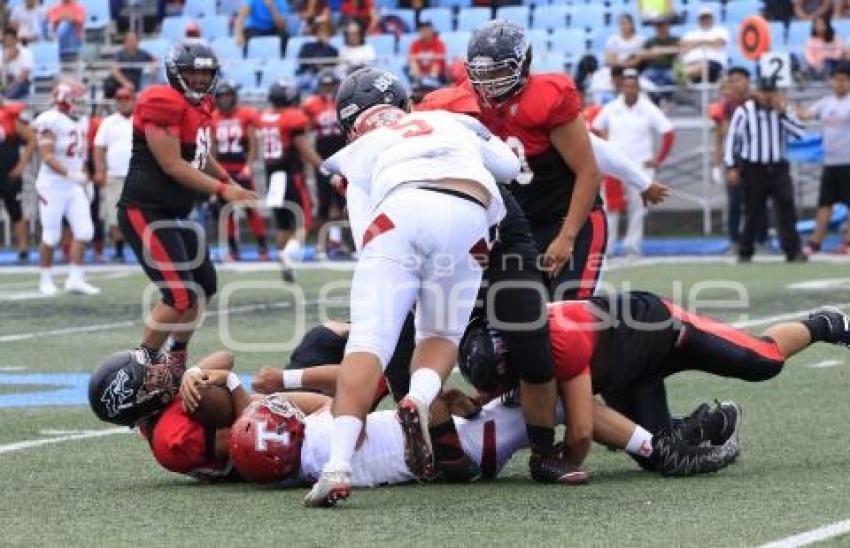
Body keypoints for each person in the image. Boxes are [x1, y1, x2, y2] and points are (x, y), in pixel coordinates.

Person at [418, 20, 668, 486]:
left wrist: (569, 236)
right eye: (481, 73)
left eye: (500, 71)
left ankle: (625, 427)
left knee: (564, 326)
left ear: (524, 65)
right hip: (518, 227)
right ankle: (564, 425)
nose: (489, 82)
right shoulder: (460, 103)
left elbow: (590, 167)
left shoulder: (548, 97)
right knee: (522, 334)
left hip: (568, 219)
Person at [304, 67, 514, 508]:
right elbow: (511, 168)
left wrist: (399, 271)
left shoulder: (358, 152)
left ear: (352, 127)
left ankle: (337, 466)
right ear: (404, 104)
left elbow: (366, 236)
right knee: (439, 335)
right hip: (470, 217)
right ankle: (418, 398)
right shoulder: (452, 120)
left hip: (400, 210)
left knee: (369, 342)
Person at [459, 291, 850, 467]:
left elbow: (581, 429)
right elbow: (495, 383)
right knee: (655, 450)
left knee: (762, 361)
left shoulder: (560, 341)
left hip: (662, 332)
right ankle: (714, 422)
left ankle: (826, 324)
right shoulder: (511, 339)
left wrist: (563, 461)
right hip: (622, 370)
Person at [117, 40, 257, 368]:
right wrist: (223, 190)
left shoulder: (201, 105)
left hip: (176, 212)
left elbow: (198, 154)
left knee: (204, 285)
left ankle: (176, 356)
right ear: (175, 73)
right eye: (192, 74)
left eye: (205, 74)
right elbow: (172, 164)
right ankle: (140, 368)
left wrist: (230, 180)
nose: (199, 80)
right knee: (179, 296)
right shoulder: (160, 100)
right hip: (146, 209)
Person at [592, 69, 675, 257]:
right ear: (621, 87)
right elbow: (595, 130)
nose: (630, 90)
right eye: (626, 86)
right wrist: (600, 156)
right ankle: (608, 246)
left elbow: (668, 133)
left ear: (639, 88)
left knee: (637, 208)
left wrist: (658, 159)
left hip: (641, 165)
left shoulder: (649, 108)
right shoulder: (611, 107)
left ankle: (632, 247)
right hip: (614, 165)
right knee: (609, 207)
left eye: (633, 86)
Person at [724, 77, 807, 263]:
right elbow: (732, 140)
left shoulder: (783, 111)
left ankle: (793, 251)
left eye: (771, 93)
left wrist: (781, 114)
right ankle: (746, 250)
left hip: (779, 167)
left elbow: (800, 133)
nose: (767, 97)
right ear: (757, 93)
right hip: (754, 168)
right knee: (753, 210)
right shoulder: (744, 111)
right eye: (764, 93)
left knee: (786, 207)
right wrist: (732, 167)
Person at [32, 81, 99, 296]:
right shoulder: (51, 120)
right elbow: (47, 156)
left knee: (85, 231)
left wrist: (85, 180)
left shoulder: (81, 122)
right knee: (51, 235)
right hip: (52, 185)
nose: (81, 104)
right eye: (76, 100)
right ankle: (45, 279)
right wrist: (71, 175)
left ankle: (75, 279)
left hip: (74, 185)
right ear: (63, 101)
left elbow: (80, 156)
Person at [256, 80, 323, 282]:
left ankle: (286, 262)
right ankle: (288, 256)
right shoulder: (292, 118)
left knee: (283, 225)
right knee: (304, 223)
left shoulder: (265, 117)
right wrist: (322, 166)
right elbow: (302, 145)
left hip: (272, 176)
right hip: (291, 175)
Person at [711, 66, 769, 251]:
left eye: (738, 80)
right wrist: (717, 163)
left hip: (756, 157)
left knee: (758, 200)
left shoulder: (758, 101)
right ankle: (735, 240)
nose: (735, 85)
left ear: (747, 81)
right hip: (735, 158)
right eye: (732, 81)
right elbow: (721, 136)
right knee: (735, 202)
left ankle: (761, 239)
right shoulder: (727, 107)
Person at [210, 81, 269, 261]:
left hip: (241, 168)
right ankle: (233, 249)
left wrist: (248, 166)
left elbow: (253, 144)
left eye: (228, 96)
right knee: (226, 211)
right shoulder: (213, 117)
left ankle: (262, 246)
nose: (225, 100)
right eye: (222, 96)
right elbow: (212, 148)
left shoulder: (246, 114)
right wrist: (214, 172)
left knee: (251, 208)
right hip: (223, 170)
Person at [798, 62, 850, 253]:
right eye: (836, 80)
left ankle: (848, 241)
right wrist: (791, 109)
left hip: (848, 162)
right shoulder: (826, 103)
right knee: (825, 204)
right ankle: (815, 242)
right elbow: (806, 115)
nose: (839, 84)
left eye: (844, 80)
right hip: (830, 162)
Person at [301, 69, 347, 255]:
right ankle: (322, 243)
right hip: (323, 158)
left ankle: (340, 242)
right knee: (323, 204)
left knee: (343, 202)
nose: (327, 89)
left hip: (343, 157)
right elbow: (305, 131)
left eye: (330, 85)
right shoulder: (311, 105)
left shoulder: (343, 102)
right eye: (324, 85)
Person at [93, 87, 135, 263]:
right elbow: (99, 147)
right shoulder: (109, 122)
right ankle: (119, 249)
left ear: (133, 100)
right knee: (113, 214)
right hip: (114, 174)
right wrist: (99, 170)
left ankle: (144, 249)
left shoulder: (141, 120)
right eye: (119, 99)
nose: (122, 102)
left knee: (141, 214)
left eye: (126, 99)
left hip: (137, 175)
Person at [0, 97, 34, 264]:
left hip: (8, 173)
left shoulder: (9, 116)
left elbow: (32, 139)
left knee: (16, 212)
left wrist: (21, 165)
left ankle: (23, 250)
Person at [679, 6, 728, 84]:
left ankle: (683, 74)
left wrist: (694, 44)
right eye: (703, 18)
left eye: (708, 18)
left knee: (704, 66)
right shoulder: (690, 33)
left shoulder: (720, 31)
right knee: (699, 67)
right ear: (699, 20)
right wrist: (706, 42)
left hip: (713, 65)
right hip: (691, 63)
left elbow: (719, 42)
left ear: (712, 19)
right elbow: (682, 45)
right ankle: (684, 73)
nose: (705, 20)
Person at [638, 19, 680, 104]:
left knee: (672, 77)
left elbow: (680, 49)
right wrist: (651, 53)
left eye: (663, 25)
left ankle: (664, 99)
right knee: (642, 79)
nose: (661, 28)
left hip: (669, 69)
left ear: (668, 27)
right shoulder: (650, 41)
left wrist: (661, 50)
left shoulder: (675, 39)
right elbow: (641, 55)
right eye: (659, 26)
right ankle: (657, 99)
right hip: (652, 69)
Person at [295, 20, 338, 92]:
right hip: (306, 73)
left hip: (321, 76)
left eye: (325, 32)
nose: (322, 34)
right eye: (320, 31)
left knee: (316, 84)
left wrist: (325, 46)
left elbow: (331, 67)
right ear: (316, 33)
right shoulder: (307, 46)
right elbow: (301, 62)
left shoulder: (333, 50)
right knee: (295, 84)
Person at [804, 15, 845, 79]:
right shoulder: (811, 40)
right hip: (817, 66)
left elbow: (839, 51)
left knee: (828, 63)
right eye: (817, 25)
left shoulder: (835, 38)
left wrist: (829, 58)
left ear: (827, 25)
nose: (820, 27)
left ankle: (827, 76)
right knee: (809, 68)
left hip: (833, 63)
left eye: (822, 24)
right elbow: (809, 55)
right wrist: (815, 64)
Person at [1, 28, 32, 100]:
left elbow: (23, 77)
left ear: (15, 40)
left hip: (22, 83)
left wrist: (10, 86)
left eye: (10, 40)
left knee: (17, 86)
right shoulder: (3, 54)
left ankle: (5, 99)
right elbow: (2, 76)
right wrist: (6, 62)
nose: (8, 42)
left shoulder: (26, 53)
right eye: (6, 40)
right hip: (8, 82)